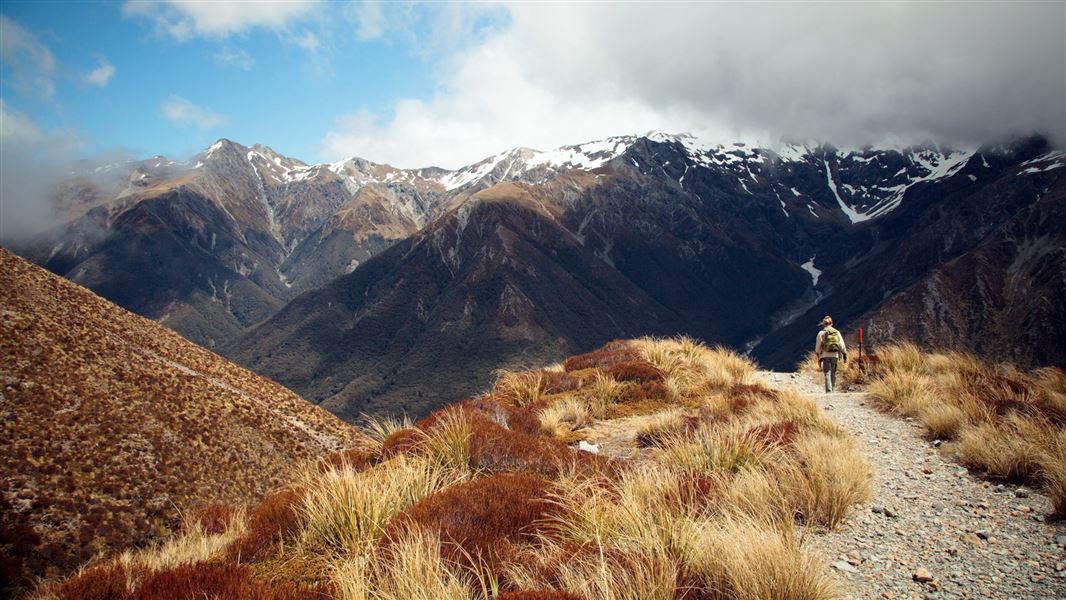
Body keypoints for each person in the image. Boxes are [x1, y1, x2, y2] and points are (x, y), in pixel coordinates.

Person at [815, 315, 847, 393]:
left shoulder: (821, 333)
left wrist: (817, 353)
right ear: (831, 323)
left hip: (825, 355)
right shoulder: (837, 332)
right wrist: (844, 354)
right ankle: (832, 388)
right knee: (833, 372)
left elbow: (818, 345)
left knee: (827, 373)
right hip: (835, 355)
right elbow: (841, 344)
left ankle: (828, 390)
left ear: (823, 324)